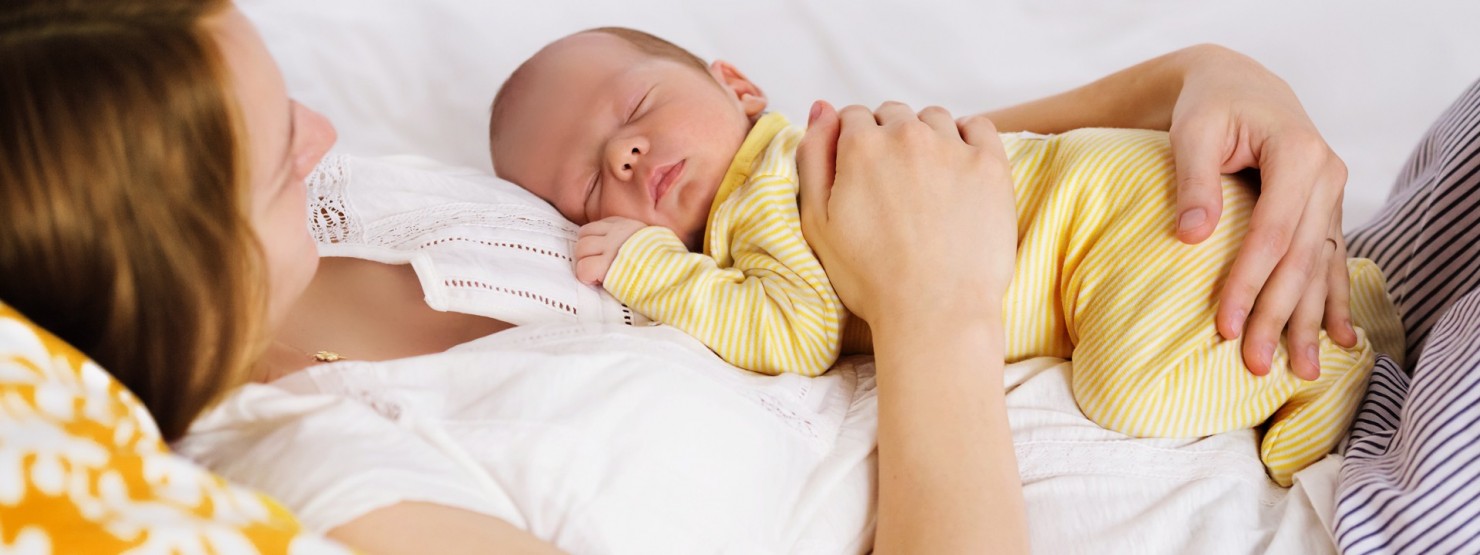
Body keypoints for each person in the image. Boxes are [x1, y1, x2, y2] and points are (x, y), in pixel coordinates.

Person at [0, 0, 1362, 552]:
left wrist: (1209, 84)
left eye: (288, 91)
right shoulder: (331, 484)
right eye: (270, 156)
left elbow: (951, 164)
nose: (326, 134)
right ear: (170, 258)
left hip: (1276, 316)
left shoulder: (368, 206)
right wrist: (937, 318)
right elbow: (913, 271)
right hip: (1315, 506)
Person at [486, 27, 1398, 485]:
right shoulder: (798, 181)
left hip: (1115, 221)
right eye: (584, 186)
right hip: (1117, 195)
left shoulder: (768, 189)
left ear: (739, 87)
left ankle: (1333, 357)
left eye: (637, 107)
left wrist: (649, 266)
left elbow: (795, 331)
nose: (625, 155)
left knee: (1133, 391)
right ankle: (1345, 296)